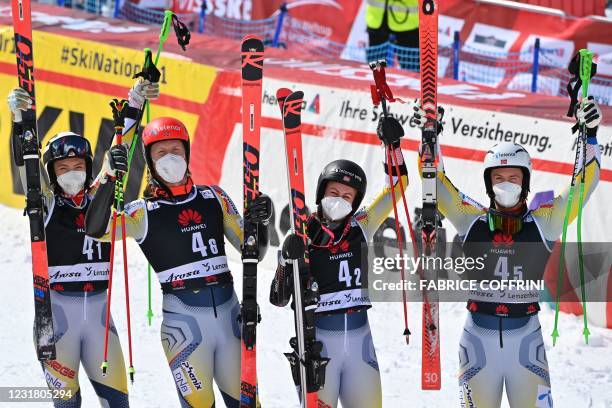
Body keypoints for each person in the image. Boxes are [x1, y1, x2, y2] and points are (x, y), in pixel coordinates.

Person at [411, 97, 602, 408]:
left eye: (514, 178)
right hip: (478, 345)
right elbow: (436, 183)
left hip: (526, 345)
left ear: (525, 182)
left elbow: (585, 185)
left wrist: (589, 134)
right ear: (488, 183)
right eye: (498, 178)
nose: (506, 184)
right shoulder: (470, 218)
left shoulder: (544, 222)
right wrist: (429, 135)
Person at [85, 107, 272, 406]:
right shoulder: (141, 212)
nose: (170, 158)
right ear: (149, 161)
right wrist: (108, 176)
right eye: (161, 153)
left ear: (187, 153)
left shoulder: (215, 197)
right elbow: (95, 229)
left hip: (231, 318)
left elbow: (253, 251)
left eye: (176, 149)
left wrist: (262, 220)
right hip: (184, 327)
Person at [6, 85, 152, 406]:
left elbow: (118, 149)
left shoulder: (99, 196)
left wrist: (136, 102)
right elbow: (27, 165)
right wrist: (19, 120)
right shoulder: (46, 204)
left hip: (100, 321)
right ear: (52, 174)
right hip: (58, 322)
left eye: (78, 167)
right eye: (62, 168)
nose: (72, 175)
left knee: (118, 403)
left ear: (87, 170)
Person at [269, 116, 408, 408]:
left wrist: (392, 146)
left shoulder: (361, 226)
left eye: (347, 196)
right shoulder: (303, 233)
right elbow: (279, 299)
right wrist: (285, 259)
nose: (339, 200)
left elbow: (396, 189)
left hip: (360, 347)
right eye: (334, 193)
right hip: (319, 348)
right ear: (322, 193)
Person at [366, 0, 419, 70]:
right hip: (376, 19)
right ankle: (376, 80)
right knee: (376, 68)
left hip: (407, 23)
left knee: (411, 66)